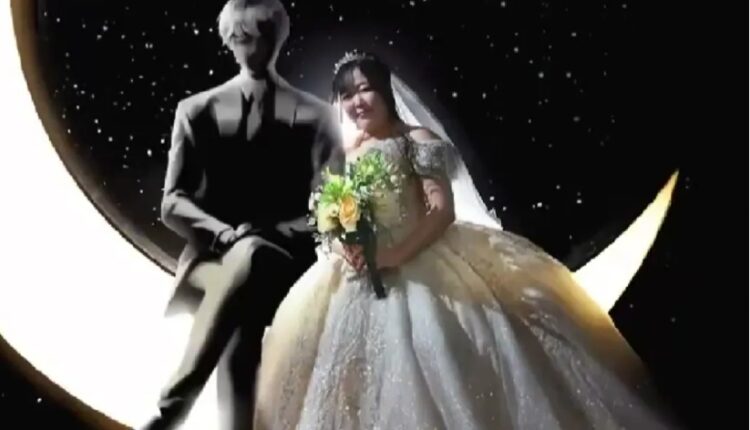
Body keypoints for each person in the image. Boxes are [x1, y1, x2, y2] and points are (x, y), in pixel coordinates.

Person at [251, 51, 680, 429]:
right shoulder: (345, 153)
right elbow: (331, 214)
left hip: (420, 256)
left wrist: (394, 255)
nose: (356, 102)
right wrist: (345, 244)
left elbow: (441, 210)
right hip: (358, 272)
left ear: (384, 91)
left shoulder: (414, 141)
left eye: (365, 90)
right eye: (347, 95)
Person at [138, 1, 345, 429]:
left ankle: (169, 412)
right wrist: (223, 234)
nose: (252, 47)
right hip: (211, 264)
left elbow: (331, 208)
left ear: (278, 39)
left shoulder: (316, 116)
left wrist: (272, 232)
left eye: (262, 37)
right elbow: (172, 202)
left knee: (250, 270)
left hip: (287, 264)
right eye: (242, 37)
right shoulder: (196, 110)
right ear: (229, 41)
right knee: (243, 295)